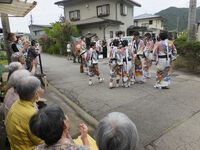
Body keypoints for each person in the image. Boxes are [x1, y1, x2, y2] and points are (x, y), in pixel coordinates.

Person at [5, 76, 44, 150]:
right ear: (36, 94)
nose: (42, 89)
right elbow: (41, 141)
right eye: (40, 88)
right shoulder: (31, 114)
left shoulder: (16, 103)